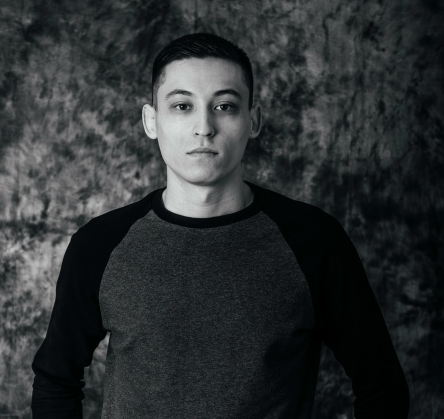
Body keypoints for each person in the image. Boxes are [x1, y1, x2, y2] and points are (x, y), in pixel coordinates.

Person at [31, 33, 410, 418]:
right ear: (151, 121)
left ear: (253, 120)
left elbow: (382, 387)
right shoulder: (100, 244)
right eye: (182, 106)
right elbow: (55, 381)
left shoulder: (314, 241)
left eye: (224, 106)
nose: (204, 127)